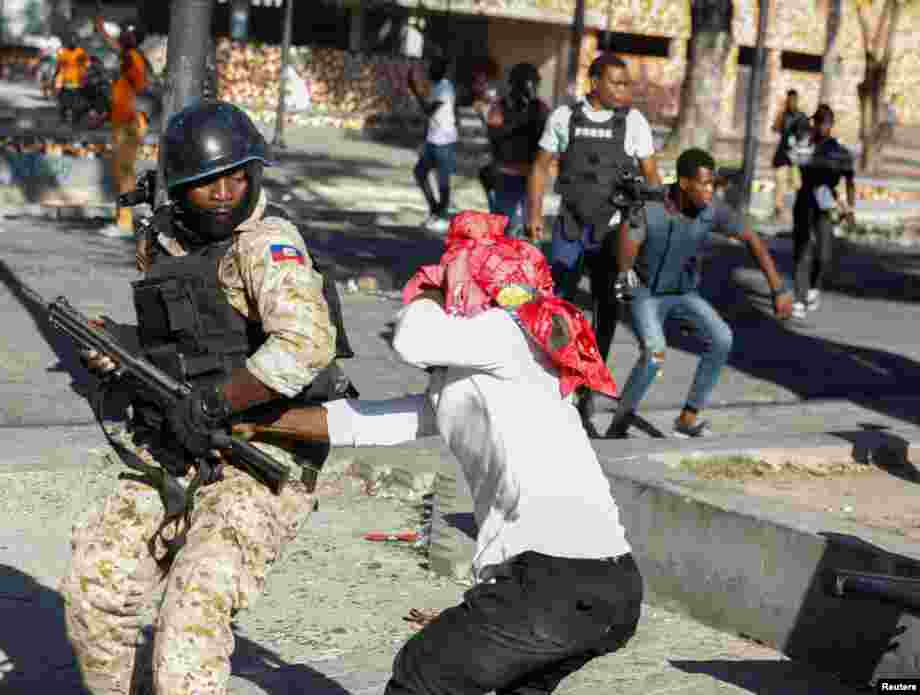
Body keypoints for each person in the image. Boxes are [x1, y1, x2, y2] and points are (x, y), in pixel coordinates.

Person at [229, 211, 642, 695]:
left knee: (422, 673)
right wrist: (256, 423)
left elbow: (412, 337)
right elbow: (367, 424)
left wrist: (431, 286)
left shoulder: (509, 336)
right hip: (603, 588)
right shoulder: (478, 377)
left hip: (557, 580)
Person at [60, 101, 356, 695]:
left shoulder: (266, 245)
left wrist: (215, 403)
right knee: (95, 589)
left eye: (237, 177)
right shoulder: (167, 240)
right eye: (206, 183)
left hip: (260, 454)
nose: (224, 193)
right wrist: (121, 352)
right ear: (178, 187)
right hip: (175, 446)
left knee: (186, 636)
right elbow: (184, 343)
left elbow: (305, 343)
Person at [604, 148, 794, 439]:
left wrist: (777, 288)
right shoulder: (649, 207)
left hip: (682, 292)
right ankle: (620, 422)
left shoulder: (712, 209)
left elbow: (751, 238)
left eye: (712, 184)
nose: (709, 191)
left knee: (721, 338)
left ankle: (688, 418)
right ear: (683, 183)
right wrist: (625, 251)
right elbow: (626, 249)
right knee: (654, 353)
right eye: (703, 184)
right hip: (645, 292)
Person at [525, 52, 661, 433]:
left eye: (627, 83)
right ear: (595, 84)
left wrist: (646, 227)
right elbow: (540, 166)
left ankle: (586, 386)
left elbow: (652, 178)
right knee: (557, 308)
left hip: (614, 230)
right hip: (570, 226)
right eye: (617, 83)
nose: (625, 90)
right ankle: (554, 379)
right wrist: (533, 215)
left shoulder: (633, 122)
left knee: (606, 311)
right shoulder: (565, 117)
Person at [789, 104, 855, 320]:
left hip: (825, 201)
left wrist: (850, 208)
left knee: (824, 254)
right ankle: (799, 299)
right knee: (802, 250)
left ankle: (813, 287)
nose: (823, 127)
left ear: (831, 125)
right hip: (805, 199)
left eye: (827, 123)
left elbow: (849, 178)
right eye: (819, 122)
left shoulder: (837, 149)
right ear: (814, 123)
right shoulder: (805, 144)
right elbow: (795, 158)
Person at [476, 62, 551, 238]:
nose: (530, 93)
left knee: (524, 231)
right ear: (515, 86)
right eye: (526, 88)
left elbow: (548, 141)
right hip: (506, 176)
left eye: (533, 87)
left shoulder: (540, 108)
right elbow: (494, 135)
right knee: (507, 230)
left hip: (531, 178)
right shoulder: (500, 106)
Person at [94, 16, 149, 239]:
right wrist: (101, 29)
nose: (121, 37)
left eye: (125, 33)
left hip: (130, 124)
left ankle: (125, 224)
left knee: (125, 175)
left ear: (132, 38)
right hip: (123, 122)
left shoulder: (133, 59)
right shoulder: (128, 57)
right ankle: (122, 220)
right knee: (121, 174)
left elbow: (142, 89)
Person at [408, 56, 458, 233]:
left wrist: (414, 90)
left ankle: (442, 216)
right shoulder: (436, 87)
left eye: (432, 68)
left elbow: (429, 111)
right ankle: (435, 210)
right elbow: (432, 118)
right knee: (420, 172)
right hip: (433, 139)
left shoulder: (445, 87)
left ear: (440, 70)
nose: (429, 71)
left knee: (443, 181)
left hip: (444, 141)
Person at [770, 89, 808, 223]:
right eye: (789, 100)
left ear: (797, 101)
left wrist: (798, 140)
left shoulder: (802, 116)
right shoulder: (783, 114)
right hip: (782, 153)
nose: (791, 103)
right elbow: (774, 128)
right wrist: (780, 115)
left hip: (795, 155)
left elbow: (806, 135)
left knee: (798, 183)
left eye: (793, 100)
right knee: (780, 181)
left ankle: (801, 210)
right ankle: (778, 209)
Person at [54, 35, 90, 124]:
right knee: (62, 100)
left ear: (76, 42)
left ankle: (75, 118)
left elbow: (86, 65)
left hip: (76, 80)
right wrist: (56, 76)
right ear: (67, 43)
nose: (72, 43)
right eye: (70, 41)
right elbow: (59, 65)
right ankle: (63, 117)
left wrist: (84, 76)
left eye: (74, 41)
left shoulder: (80, 52)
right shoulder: (63, 52)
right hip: (63, 79)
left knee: (75, 101)